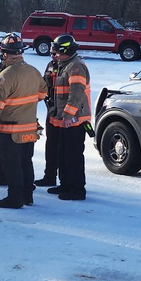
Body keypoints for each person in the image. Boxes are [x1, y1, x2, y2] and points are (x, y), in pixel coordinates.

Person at [0, 33, 47, 209]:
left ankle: (15, 198)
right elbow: (42, 93)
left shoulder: (6, 75)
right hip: (30, 127)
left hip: (10, 129)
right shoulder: (34, 71)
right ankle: (27, 195)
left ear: (5, 53)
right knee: (26, 161)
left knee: (12, 164)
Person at [45, 34, 91, 200]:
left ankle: (77, 190)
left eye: (57, 52)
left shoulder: (76, 66)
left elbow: (76, 93)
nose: (54, 55)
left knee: (73, 156)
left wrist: (68, 114)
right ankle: (65, 184)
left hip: (74, 120)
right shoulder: (64, 64)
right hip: (64, 119)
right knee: (63, 154)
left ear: (66, 51)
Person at [35, 55, 61, 187]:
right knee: (50, 146)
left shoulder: (71, 67)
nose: (52, 55)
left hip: (64, 114)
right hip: (51, 110)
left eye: (55, 52)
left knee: (63, 149)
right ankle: (49, 176)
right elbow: (44, 84)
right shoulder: (51, 65)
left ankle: (66, 181)